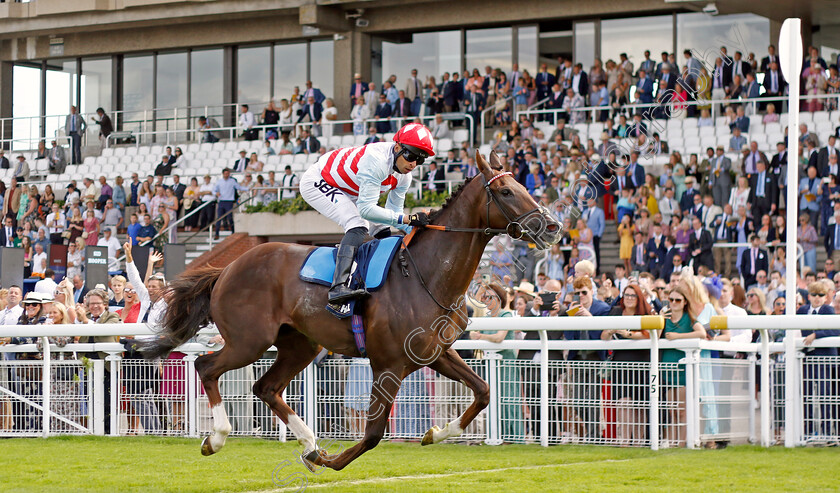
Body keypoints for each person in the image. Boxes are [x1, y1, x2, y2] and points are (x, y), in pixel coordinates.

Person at [299, 122, 434, 306]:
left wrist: (418, 225)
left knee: (382, 227)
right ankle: (338, 287)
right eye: (411, 155)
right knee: (357, 224)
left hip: (351, 188)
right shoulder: (377, 160)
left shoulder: (404, 176)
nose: (413, 163)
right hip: (319, 181)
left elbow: (394, 213)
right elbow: (366, 210)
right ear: (397, 147)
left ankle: (380, 279)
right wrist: (408, 219)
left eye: (420, 159)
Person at [602, 283, 652, 446]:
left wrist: (628, 334)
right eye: (627, 295)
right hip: (621, 363)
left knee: (639, 405)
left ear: (639, 298)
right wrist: (610, 331)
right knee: (623, 402)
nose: (629, 299)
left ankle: (637, 442)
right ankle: (623, 441)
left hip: (642, 363)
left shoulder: (645, 313)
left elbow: (650, 335)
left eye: (633, 295)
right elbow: (603, 336)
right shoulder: (616, 311)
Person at [660, 282, 707, 448]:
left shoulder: (689, 318)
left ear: (684, 302)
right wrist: (659, 318)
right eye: (671, 299)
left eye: (677, 300)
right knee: (672, 411)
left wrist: (678, 337)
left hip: (683, 369)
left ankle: (681, 442)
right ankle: (673, 441)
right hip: (667, 369)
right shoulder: (665, 317)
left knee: (681, 410)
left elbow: (701, 333)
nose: (673, 303)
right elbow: (657, 335)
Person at [212, 168, 248, 240]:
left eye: (228, 173)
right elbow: (214, 190)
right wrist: (216, 193)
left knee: (230, 217)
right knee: (219, 218)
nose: (226, 175)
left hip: (229, 201)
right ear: (223, 174)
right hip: (221, 201)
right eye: (225, 173)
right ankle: (216, 234)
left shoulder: (232, 181)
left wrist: (248, 188)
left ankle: (233, 232)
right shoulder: (219, 182)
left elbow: (239, 187)